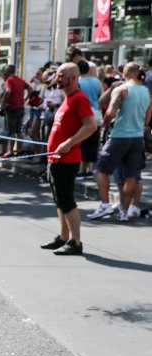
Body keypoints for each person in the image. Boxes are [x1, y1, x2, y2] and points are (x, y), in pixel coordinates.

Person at [40, 63, 96, 256]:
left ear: (73, 77)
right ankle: (63, 237)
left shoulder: (79, 99)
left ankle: (76, 242)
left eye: (61, 75)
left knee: (67, 201)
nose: (57, 78)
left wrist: (69, 143)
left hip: (67, 159)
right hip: (55, 159)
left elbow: (91, 126)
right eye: (57, 75)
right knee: (60, 201)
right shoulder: (67, 99)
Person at [88, 62, 151, 221]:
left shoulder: (122, 89)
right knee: (131, 176)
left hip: (120, 135)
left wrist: (105, 123)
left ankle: (105, 205)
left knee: (101, 170)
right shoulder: (146, 92)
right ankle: (124, 210)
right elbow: (148, 117)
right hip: (136, 137)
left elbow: (110, 111)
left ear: (125, 73)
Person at [77, 60, 104, 178]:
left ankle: (82, 168)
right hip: (96, 114)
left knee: (82, 141)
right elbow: (102, 96)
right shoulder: (97, 82)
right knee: (94, 141)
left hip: (82, 115)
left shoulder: (77, 82)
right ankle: (92, 168)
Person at [0, 65, 32, 157]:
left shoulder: (9, 80)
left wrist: (3, 104)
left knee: (11, 131)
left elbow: (8, 91)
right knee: (19, 131)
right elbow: (30, 88)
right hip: (20, 107)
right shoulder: (20, 80)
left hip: (11, 108)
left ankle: (10, 151)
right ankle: (19, 149)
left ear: (8, 71)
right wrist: (25, 99)